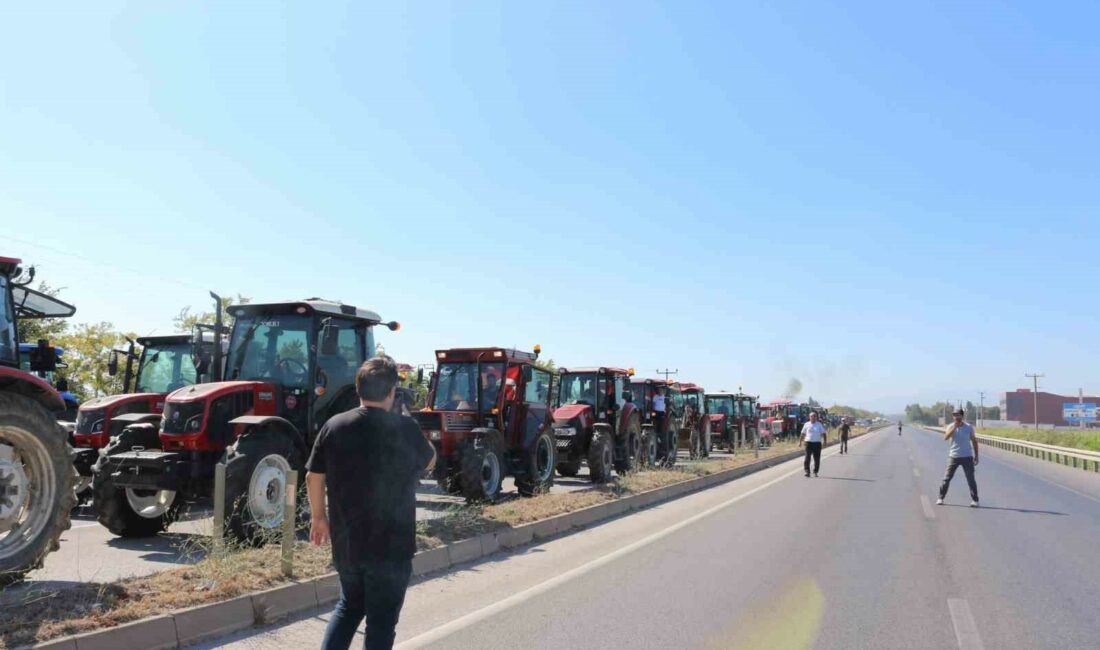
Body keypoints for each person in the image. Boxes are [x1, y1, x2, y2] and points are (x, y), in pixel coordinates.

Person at [306, 355, 436, 650]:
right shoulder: (405, 428)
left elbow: (313, 477)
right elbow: (431, 461)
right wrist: (408, 424)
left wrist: (319, 518)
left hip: (348, 543)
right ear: (392, 391)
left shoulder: (334, 426)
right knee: (381, 623)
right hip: (392, 547)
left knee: (349, 607)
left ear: (358, 389)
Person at [937, 408, 979, 507]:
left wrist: (976, 456)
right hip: (954, 456)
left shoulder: (969, 427)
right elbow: (946, 437)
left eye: (958, 415)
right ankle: (940, 498)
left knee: (970, 479)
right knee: (946, 478)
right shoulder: (951, 426)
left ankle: (975, 500)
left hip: (967, 457)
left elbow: (974, 441)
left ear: (962, 416)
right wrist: (954, 428)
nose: (956, 417)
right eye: (954, 415)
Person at [801, 410, 827, 477]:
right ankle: (807, 472)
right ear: (809, 417)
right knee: (807, 458)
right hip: (808, 443)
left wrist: (825, 441)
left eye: (814, 416)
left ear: (816, 417)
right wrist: (800, 442)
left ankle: (815, 471)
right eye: (812, 416)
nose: (813, 417)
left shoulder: (819, 424)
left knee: (817, 458)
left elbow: (824, 433)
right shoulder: (806, 424)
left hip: (817, 443)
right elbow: (802, 434)